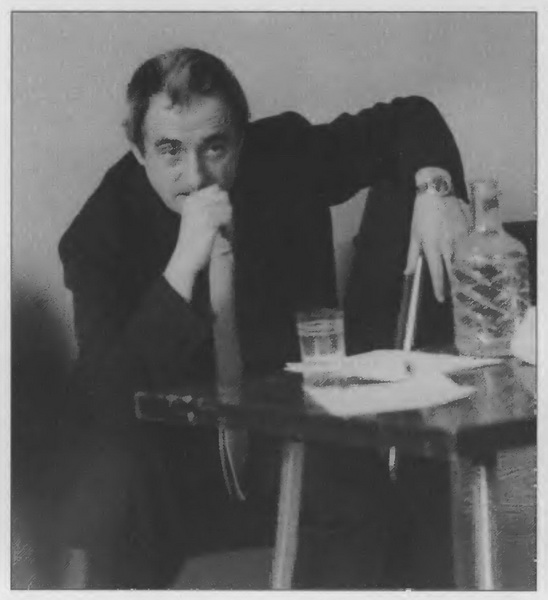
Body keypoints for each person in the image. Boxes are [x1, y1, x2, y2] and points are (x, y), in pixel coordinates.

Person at [55, 47, 468, 589]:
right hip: (175, 464)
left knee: (365, 494)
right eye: (170, 151)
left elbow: (410, 118)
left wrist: (435, 190)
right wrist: (182, 267)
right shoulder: (99, 233)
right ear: (138, 150)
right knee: (118, 489)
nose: (196, 175)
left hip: (286, 434)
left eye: (215, 147)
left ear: (242, 139)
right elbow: (107, 397)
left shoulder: (283, 152)